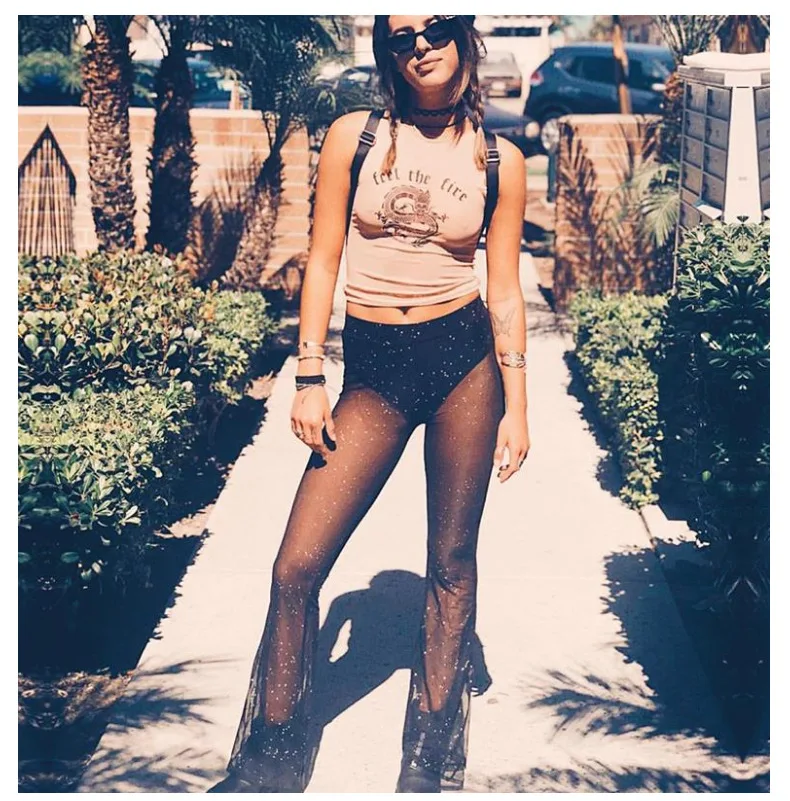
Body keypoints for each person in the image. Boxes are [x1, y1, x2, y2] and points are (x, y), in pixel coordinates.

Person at [209, 14, 529, 794]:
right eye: (401, 36)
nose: (420, 46)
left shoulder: (499, 159)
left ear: (465, 38)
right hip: (374, 376)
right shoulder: (354, 138)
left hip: (464, 368)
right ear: (387, 53)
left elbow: (506, 291)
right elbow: (322, 260)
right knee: (296, 566)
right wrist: (308, 374)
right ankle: (272, 752)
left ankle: (429, 756)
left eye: (436, 29)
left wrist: (518, 405)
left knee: (450, 562)